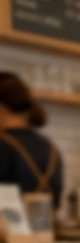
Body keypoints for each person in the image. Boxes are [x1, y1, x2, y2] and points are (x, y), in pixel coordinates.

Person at [0, 72, 62, 207]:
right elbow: (56, 203)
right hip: (46, 228)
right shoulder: (50, 147)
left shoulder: (3, 145)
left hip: (7, 228)